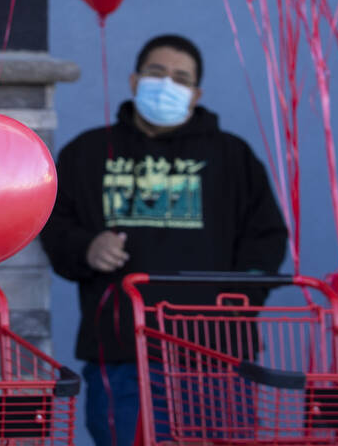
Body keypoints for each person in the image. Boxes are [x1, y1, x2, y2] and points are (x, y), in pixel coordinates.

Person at [40, 33, 288, 446]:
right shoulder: (86, 154)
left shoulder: (232, 156)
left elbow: (267, 236)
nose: (167, 84)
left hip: (217, 354)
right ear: (135, 81)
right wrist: (87, 248)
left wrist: (241, 299)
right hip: (122, 353)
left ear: (196, 94)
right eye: (157, 74)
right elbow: (53, 226)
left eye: (180, 78)